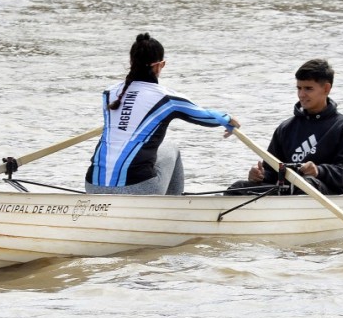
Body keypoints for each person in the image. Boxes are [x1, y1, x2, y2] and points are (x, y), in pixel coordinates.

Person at [85, 33, 240, 196]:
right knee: (171, 149)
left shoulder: (109, 94)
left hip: (92, 186)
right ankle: (173, 208)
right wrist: (227, 119)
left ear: (131, 62)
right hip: (138, 188)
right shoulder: (167, 99)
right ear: (160, 65)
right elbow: (205, 117)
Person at [227, 58, 343, 195]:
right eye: (299, 88)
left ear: (326, 88)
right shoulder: (286, 128)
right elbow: (272, 172)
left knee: (305, 184)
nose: (301, 94)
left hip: (324, 192)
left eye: (308, 88)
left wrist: (319, 171)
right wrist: (259, 174)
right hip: (287, 192)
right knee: (238, 188)